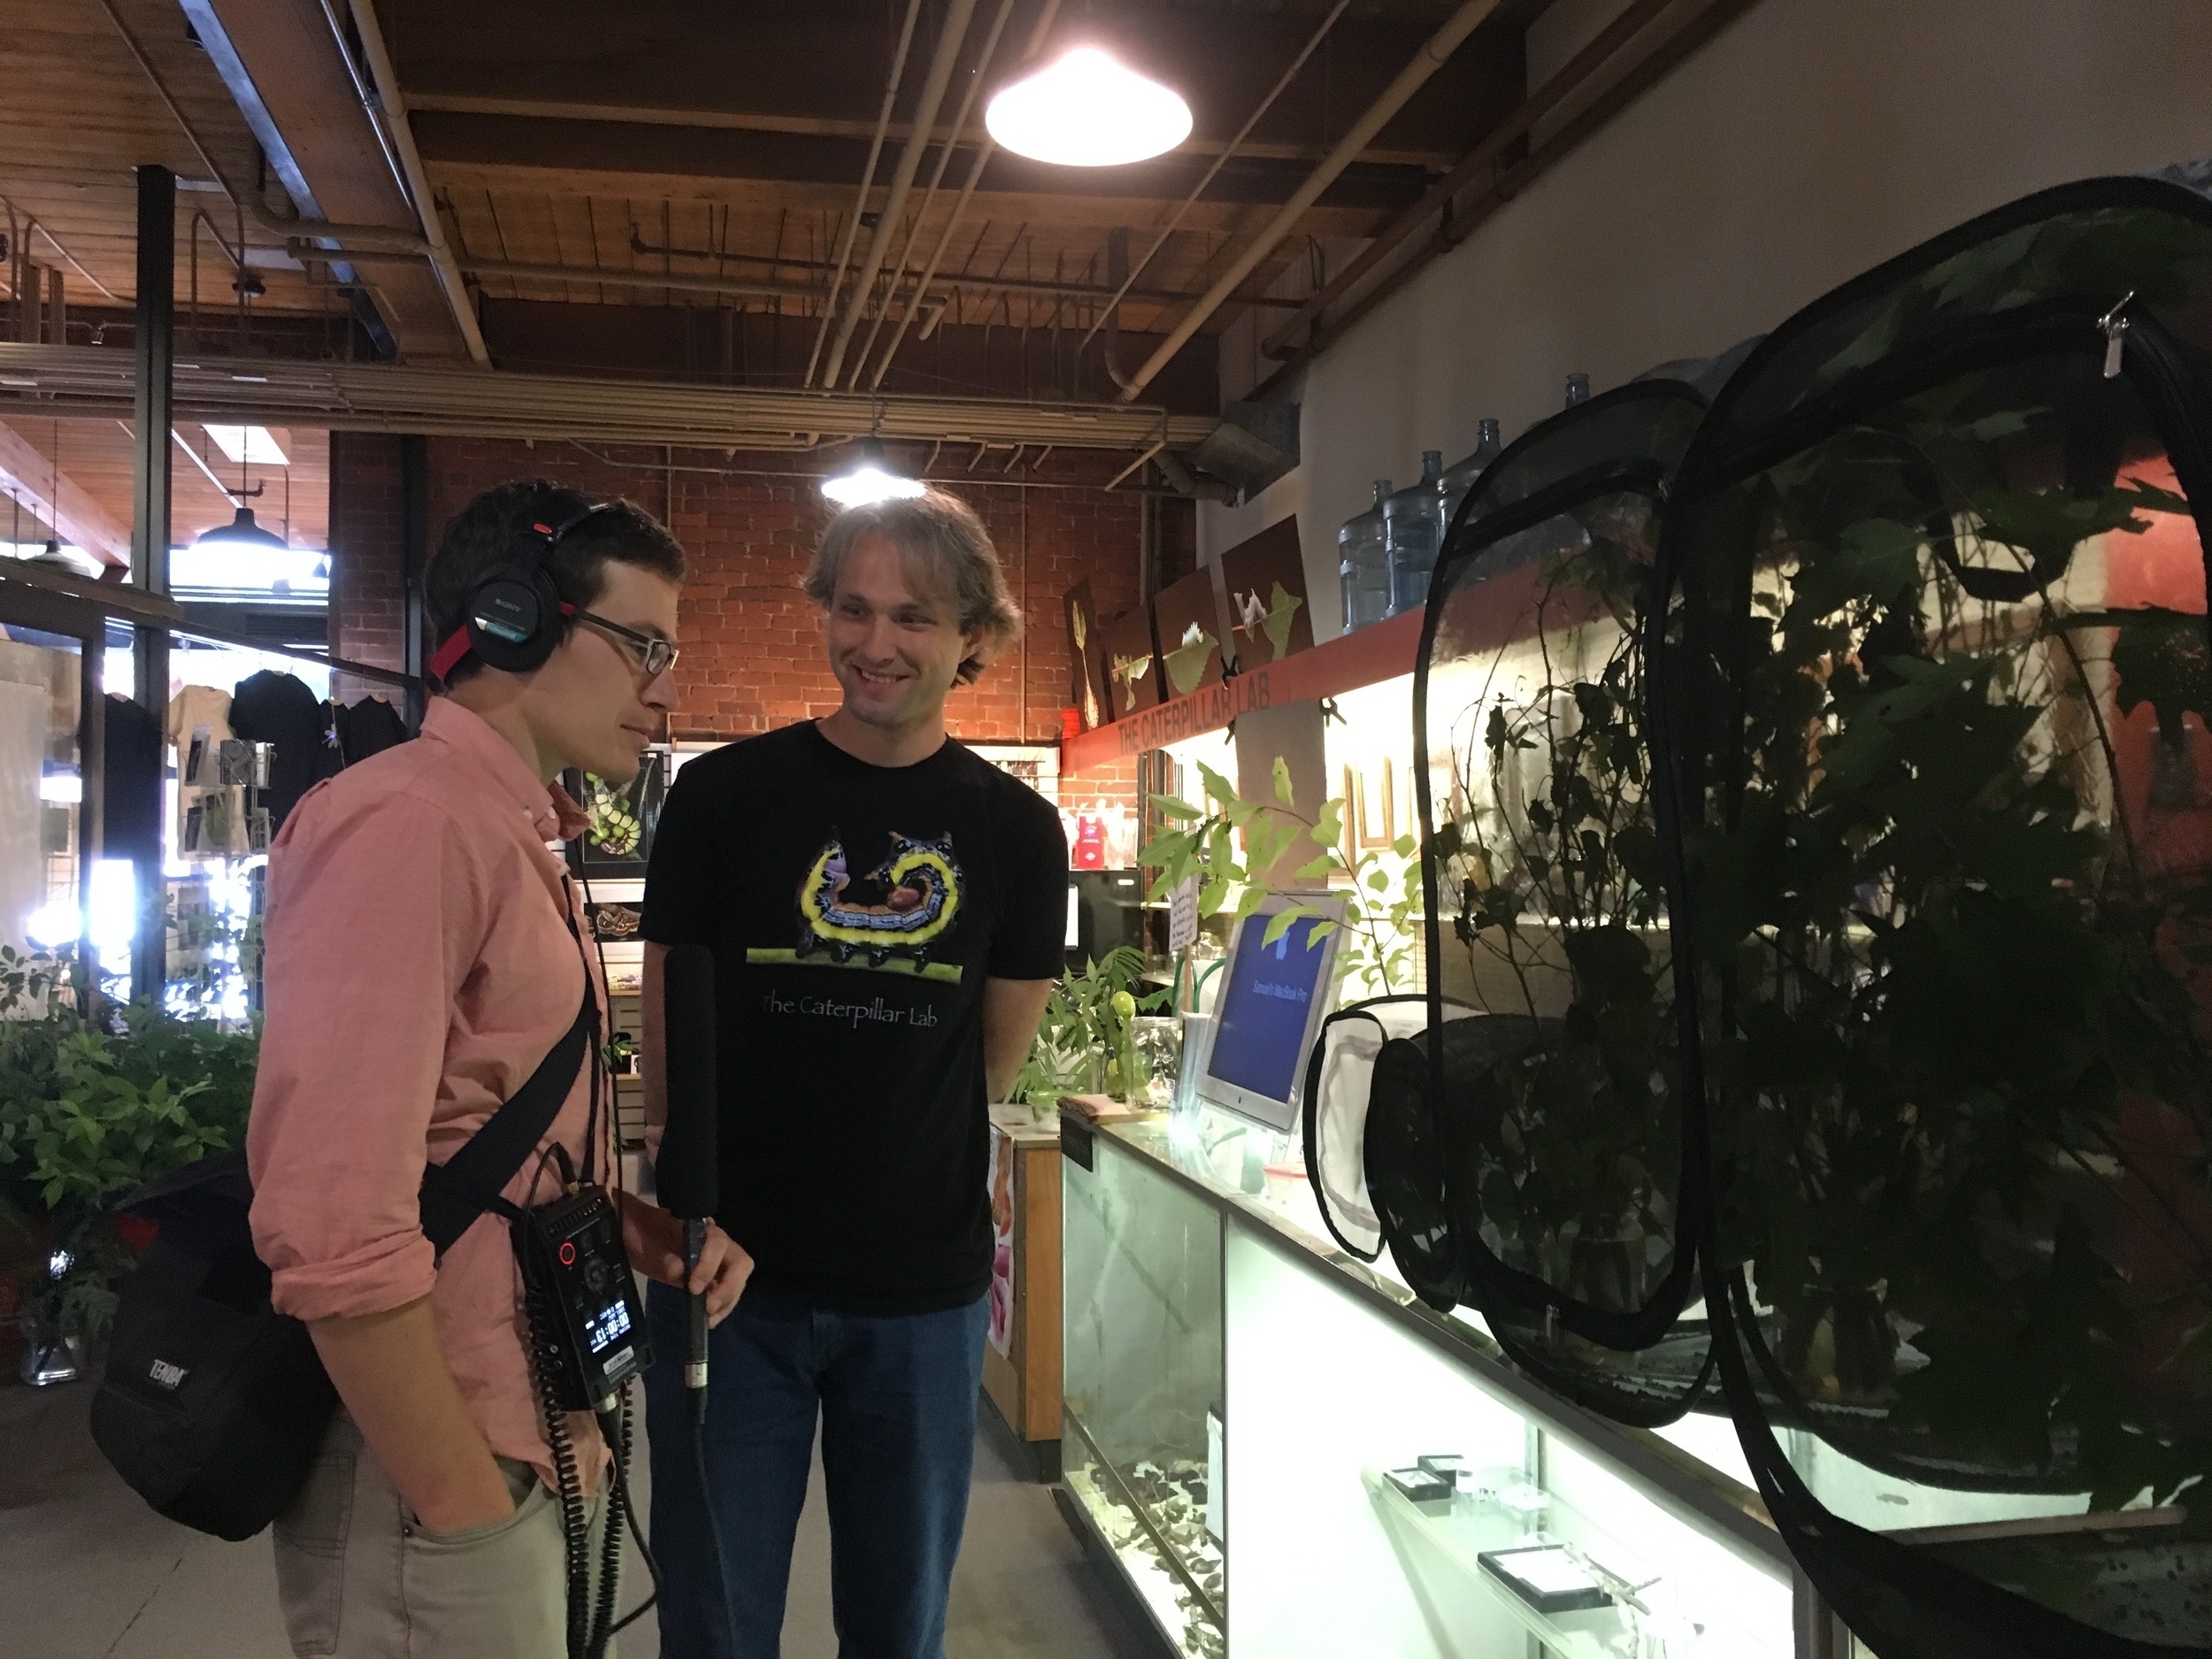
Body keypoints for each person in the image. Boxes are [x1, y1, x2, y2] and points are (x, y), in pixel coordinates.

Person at [247, 480, 753, 1659]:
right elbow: (332, 1220)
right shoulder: (413, 824)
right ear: (516, 619)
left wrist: (623, 1223)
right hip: (446, 1482)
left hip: (525, 1438)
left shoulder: (502, 833)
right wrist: (467, 1506)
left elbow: (464, 1131)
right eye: (642, 646)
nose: (665, 688)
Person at [641, 488, 1066, 1658]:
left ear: (973, 636)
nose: (876, 644)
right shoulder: (722, 799)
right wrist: (681, 1201)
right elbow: (672, 1020)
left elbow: (991, 1051)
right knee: (715, 1625)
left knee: (899, 1627)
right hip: (730, 1285)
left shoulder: (1018, 834)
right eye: (854, 609)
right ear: (825, 613)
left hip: (920, 1296)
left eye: (915, 619)